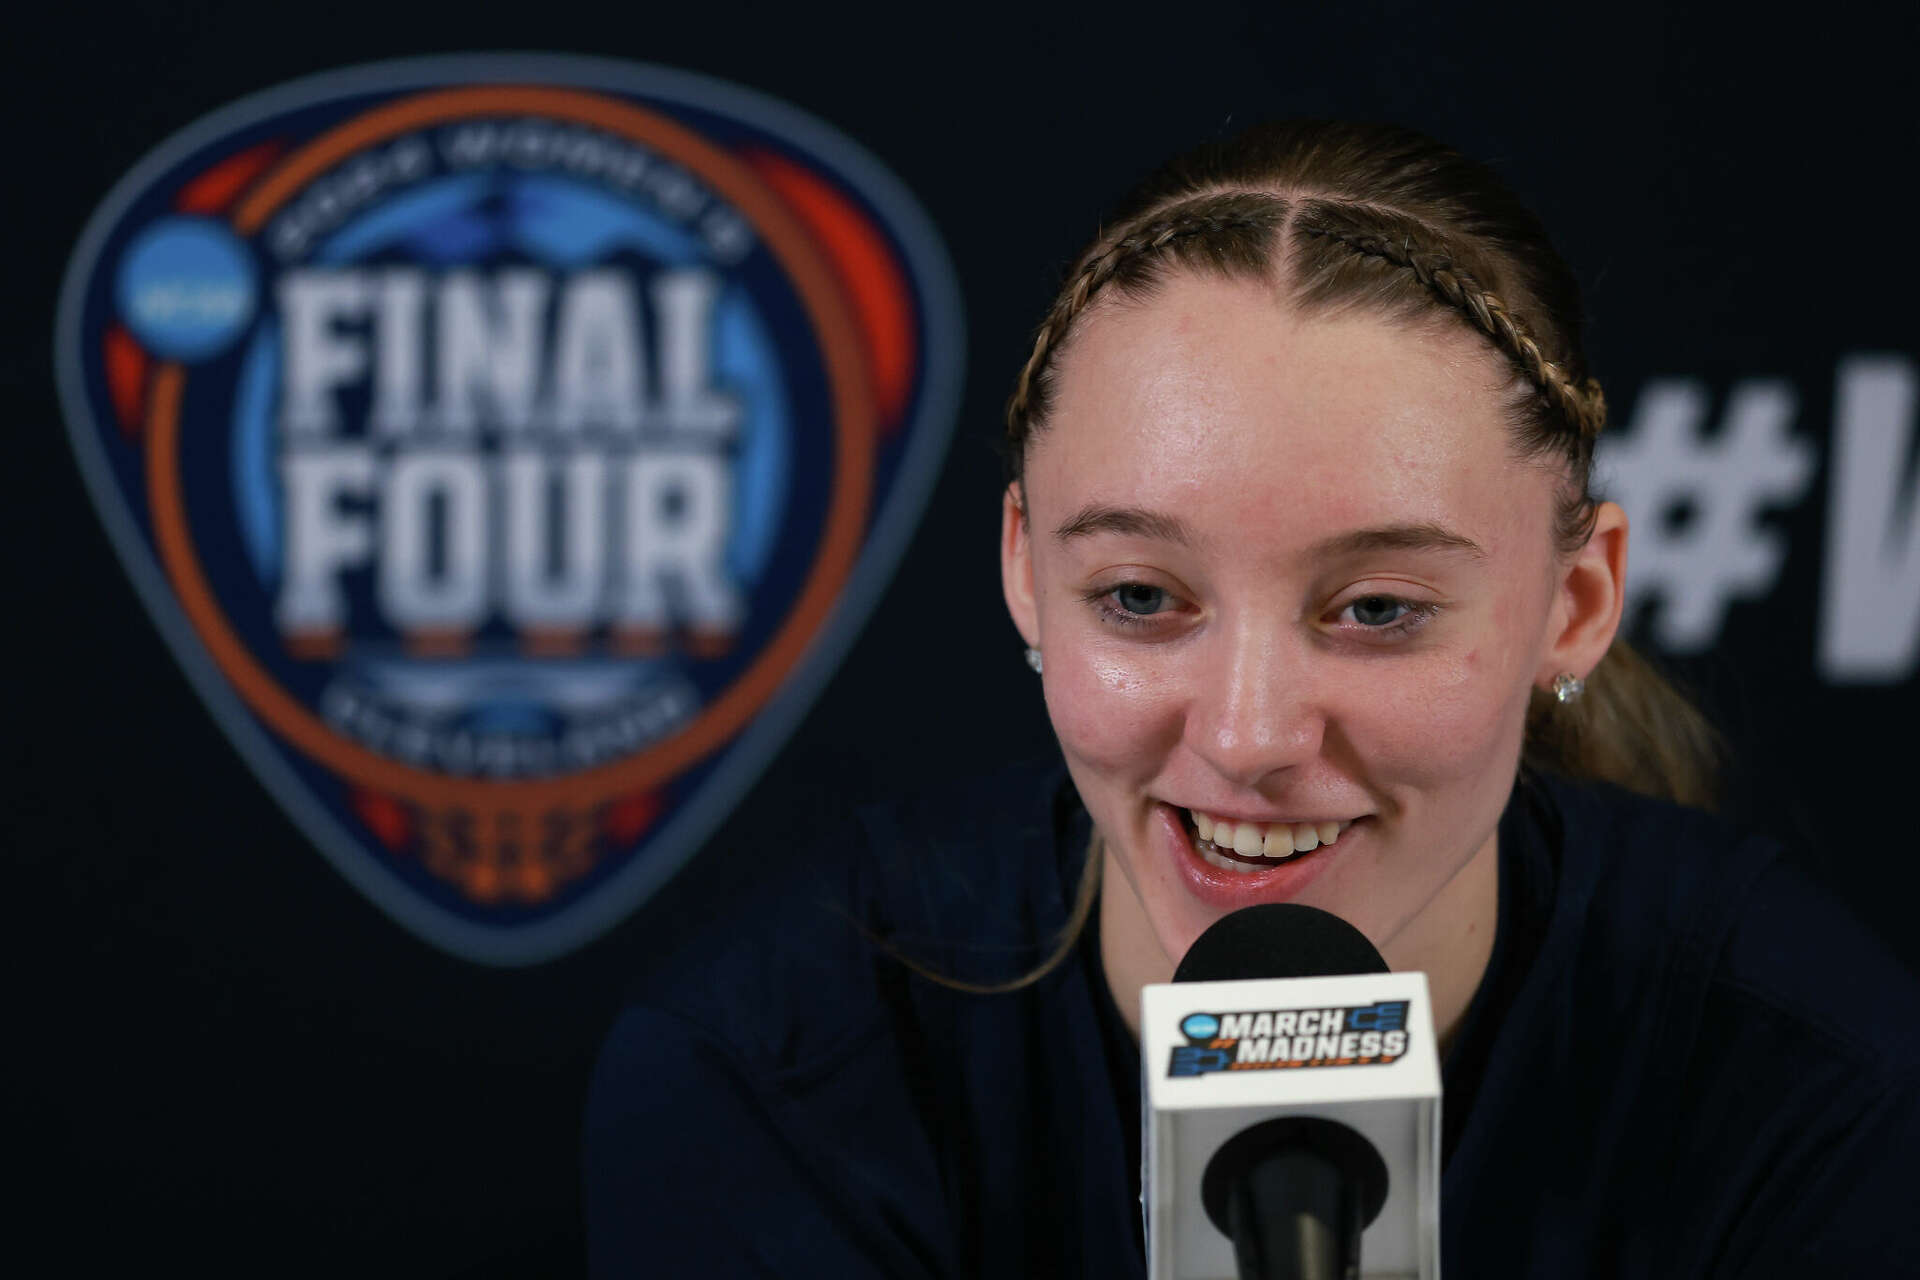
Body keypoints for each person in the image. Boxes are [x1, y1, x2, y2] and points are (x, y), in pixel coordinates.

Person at [584, 121, 1920, 1277]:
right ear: (1023, 577)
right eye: (1142, 599)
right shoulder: (778, 1077)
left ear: (1572, 604)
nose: (1246, 738)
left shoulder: (1815, 1095)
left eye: (1378, 610)